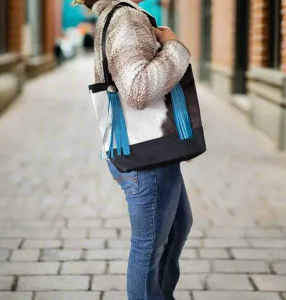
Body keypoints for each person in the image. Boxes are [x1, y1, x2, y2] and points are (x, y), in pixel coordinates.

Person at [75, 0, 193, 299]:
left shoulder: (112, 14)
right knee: (149, 247)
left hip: (150, 149)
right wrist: (174, 47)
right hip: (148, 155)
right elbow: (138, 90)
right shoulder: (126, 17)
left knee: (177, 227)